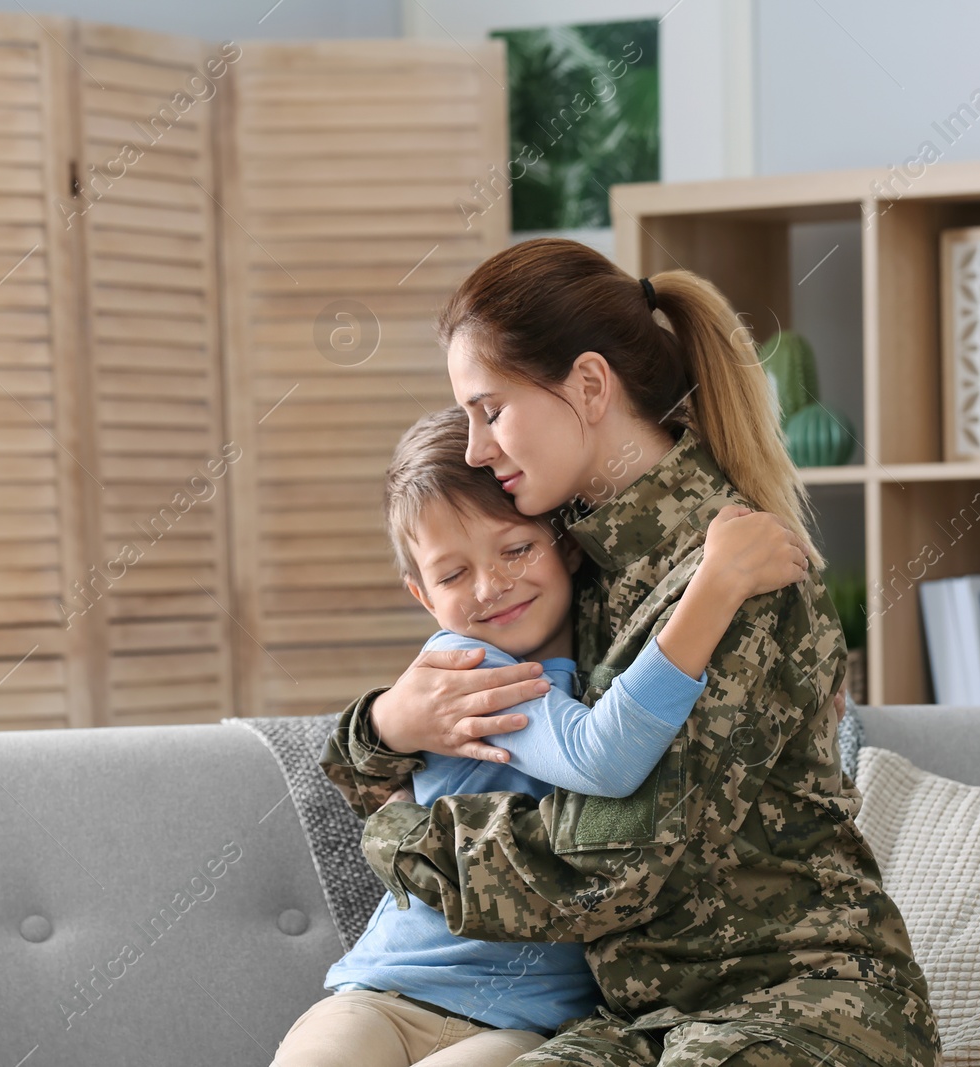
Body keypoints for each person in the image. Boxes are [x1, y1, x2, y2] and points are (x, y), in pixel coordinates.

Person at [322, 238, 940, 1067]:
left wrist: (399, 833)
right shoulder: (561, 564)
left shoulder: (739, 569)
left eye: (491, 409)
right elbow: (424, 730)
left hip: (797, 1004)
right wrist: (385, 726)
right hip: (641, 1022)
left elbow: (606, 865)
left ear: (587, 385)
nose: (474, 447)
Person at [276, 407, 812, 1067]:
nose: (490, 586)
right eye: (451, 575)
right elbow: (601, 756)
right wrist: (716, 585)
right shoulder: (470, 670)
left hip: (525, 1025)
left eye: (515, 548)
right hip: (387, 992)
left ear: (564, 543)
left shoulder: (604, 653)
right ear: (422, 594)